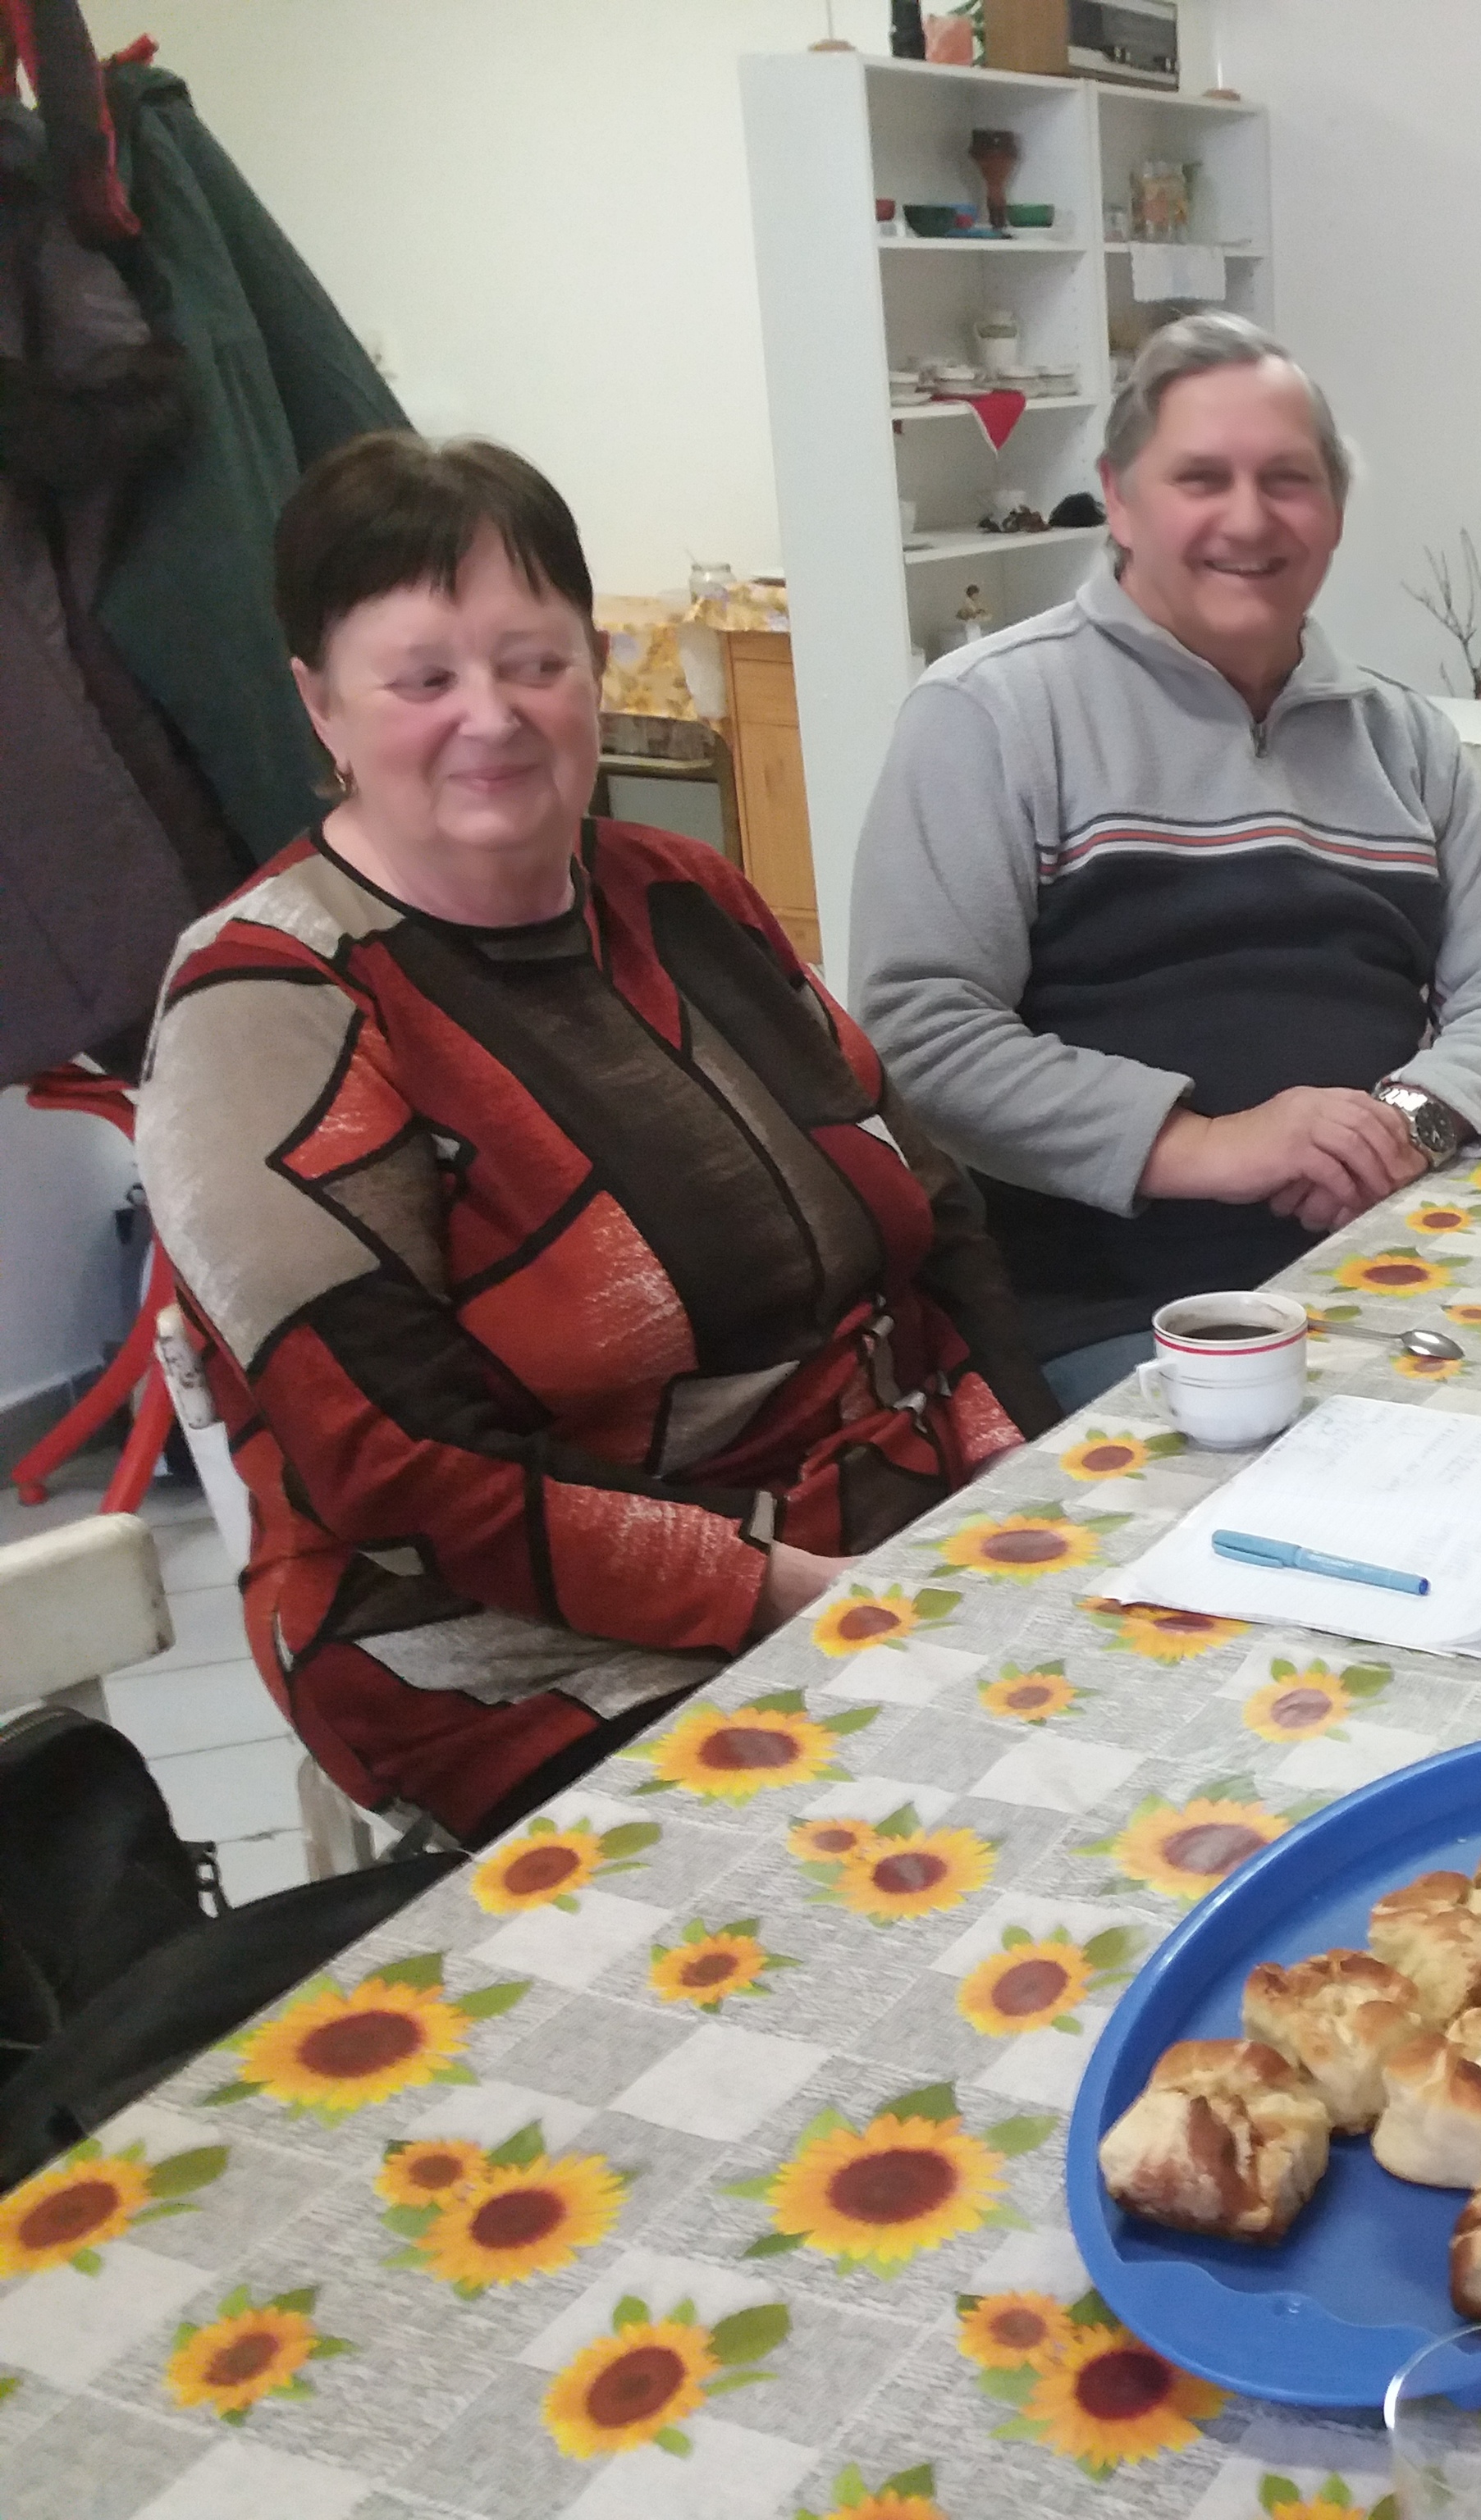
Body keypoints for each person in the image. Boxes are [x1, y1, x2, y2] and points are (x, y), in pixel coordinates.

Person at [135, 434, 1054, 1845]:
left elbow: (932, 1213)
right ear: (321, 706)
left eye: (535, 662)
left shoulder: (684, 895)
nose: (492, 716)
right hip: (528, 1651)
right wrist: (792, 1592)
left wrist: (1022, 1471)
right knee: (946, 1862)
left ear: (594, 668)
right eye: (424, 679)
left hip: (880, 1526)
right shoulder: (268, 1004)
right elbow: (396, 1466)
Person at [853, 313, 1481, 1406]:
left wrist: (1405, 1125)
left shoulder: (1403, 736)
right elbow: (920, 1033)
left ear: (1334, 512)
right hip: (1117, 1312)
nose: (1249, 518)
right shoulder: (990, 714)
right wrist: (1210, 1144)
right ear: (1119, 500)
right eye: (1202, 478)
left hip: (1395, 1261)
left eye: (1288, 479)